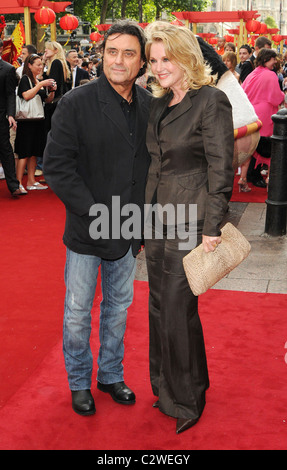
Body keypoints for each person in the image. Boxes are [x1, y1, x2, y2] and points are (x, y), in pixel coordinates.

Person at [43, 20, 152, 416]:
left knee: (118, 308)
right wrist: (95, 213)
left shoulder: (149, 106)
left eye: (129, 53)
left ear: (142, 63)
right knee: (77, 310)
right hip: (88, 228)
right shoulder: (77, 102)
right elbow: (57, 168)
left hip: (127, 230)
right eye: (112, 51)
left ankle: (110, 374)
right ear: (102, 54)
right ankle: (78, 381)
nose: (118, 61)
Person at [144, 22, 234, 434]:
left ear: (187, 58)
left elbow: (222, 168)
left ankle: (188, 399)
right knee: (159, 306)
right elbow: (155, 164)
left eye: (167, 59)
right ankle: (165, 387)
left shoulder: (210, 102)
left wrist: (213, 226)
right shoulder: (160, 104)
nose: (159, 68)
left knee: (180, 309)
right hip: (158, 221)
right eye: (154, 60)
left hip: (192, 221)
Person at [242, 48, 284, 188]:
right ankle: (256, 176)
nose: (275, 62)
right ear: (266, 60)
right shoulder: (270, 75)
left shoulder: (253, 73)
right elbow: (276, 97)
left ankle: (247, 175)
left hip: (251, 113)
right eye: (273, 59)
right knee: (263, 145)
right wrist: (284, 96)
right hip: (265, 114)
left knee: (253, 145)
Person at [15, 54, 57, 191]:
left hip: (39, 119)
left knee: (34, 152)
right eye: (38, 65)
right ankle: (18, 182)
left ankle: (31, 181)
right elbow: (26, 96)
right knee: (24, 152)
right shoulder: (25, 79)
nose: (40, 67)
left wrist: (51, 91)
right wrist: (40, 84)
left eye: (42, 65)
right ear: (29, 65)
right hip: (26, 121)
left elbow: (47, 100)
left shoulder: (38, 80)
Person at [0, 38, 22, 197]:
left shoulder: (7, 69)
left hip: (1, 117)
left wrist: (10, 114)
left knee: (6, 150)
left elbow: (10, 95)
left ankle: (13, 185)